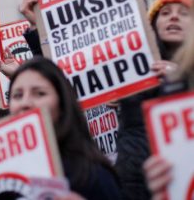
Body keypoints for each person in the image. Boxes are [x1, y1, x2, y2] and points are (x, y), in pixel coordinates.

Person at [8, 56, 121, 200]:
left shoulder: (93, 174)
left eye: (39, 93)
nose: (25, 102)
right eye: (17, 95)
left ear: (62, 105)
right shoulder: (1, 176)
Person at [115, 0, 193, 200]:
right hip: (134, 183)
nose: (174, 17)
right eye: (165, 13)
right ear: (153, 24)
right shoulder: (133, 65)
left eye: (183, 13)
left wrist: (181, 82)